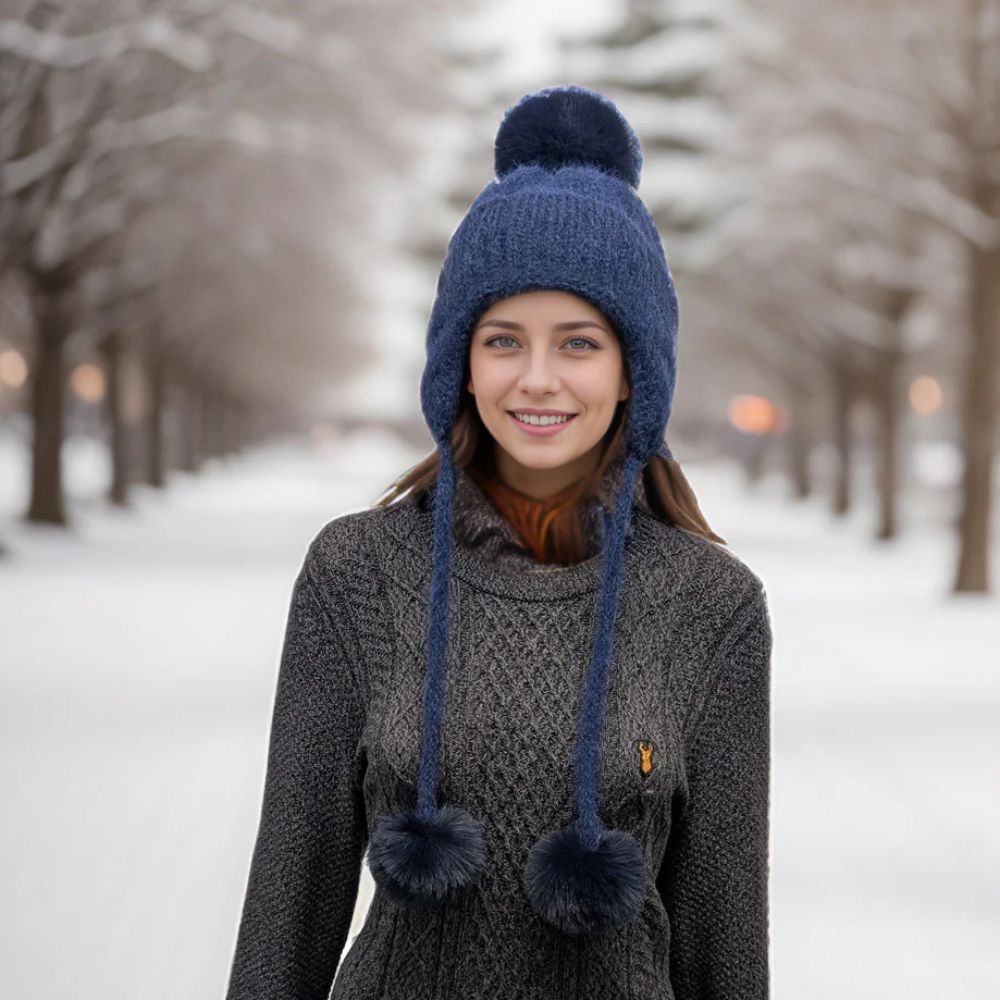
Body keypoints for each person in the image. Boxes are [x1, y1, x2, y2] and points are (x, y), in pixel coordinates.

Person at [224, 85, 773, 1000]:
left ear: (636, 370)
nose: (539, 379)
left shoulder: (712, 607)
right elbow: (291, 902)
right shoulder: (358, 573)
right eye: (504, 339)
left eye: (580, 343)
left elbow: (726, 945)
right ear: (462, 363)